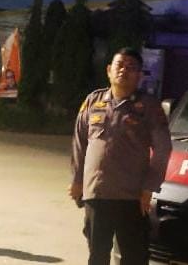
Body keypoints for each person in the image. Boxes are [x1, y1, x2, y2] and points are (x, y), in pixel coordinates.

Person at [69, 47, 172, 265]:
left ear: (139, 75)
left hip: (132, 198)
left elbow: (163, 148)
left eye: (131, 67)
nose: (124, 70)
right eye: (120, 65)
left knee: (134, 257)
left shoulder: (149, 107)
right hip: (97, 194)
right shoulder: (93, 101)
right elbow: (79, 142)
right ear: (109, 70)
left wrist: (149, 187)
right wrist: (77, 180)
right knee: (97, 255)